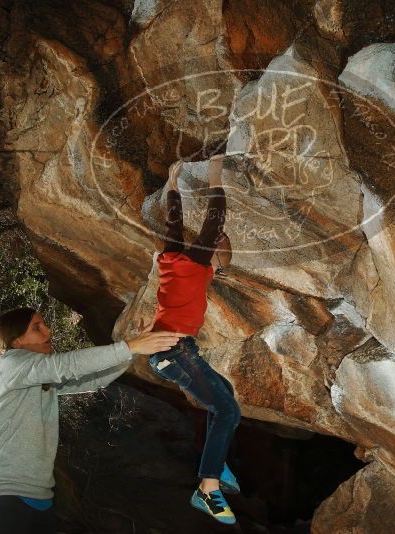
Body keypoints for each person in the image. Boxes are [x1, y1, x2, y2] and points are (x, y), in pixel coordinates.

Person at [0, 307, 184, 534]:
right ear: (17, 341)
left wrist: (135, 350)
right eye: (36, 327)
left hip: (39, 497)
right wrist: (130, 347)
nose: (47, 330)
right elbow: (65, 366)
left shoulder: (38, 377)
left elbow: (92, 379)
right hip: (2, 495)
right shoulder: (10, 364)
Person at [148, 154, 241, 525]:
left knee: (225, 394)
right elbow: (215, 216)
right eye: (218, 248)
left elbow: (175, 222)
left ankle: (215, 464)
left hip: (175, 352)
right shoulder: (195, 264)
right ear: (216, 261)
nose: (212, 242)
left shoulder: (172, 259)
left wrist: (174, 183)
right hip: (174, 351)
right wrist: (215, 170)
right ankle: (207, 489)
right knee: (227, 410)